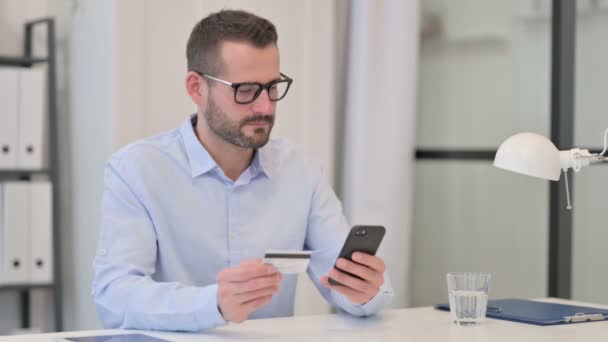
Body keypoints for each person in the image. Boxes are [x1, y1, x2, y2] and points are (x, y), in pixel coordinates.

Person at [92, 9, 393, 332]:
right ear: (196, 88)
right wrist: (214, 304)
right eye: (246, 90)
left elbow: (351, 288)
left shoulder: (301, 171)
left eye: (272, 87)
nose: (265, 107)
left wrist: (365, 292)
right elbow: (114, 296)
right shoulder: (137, 170)